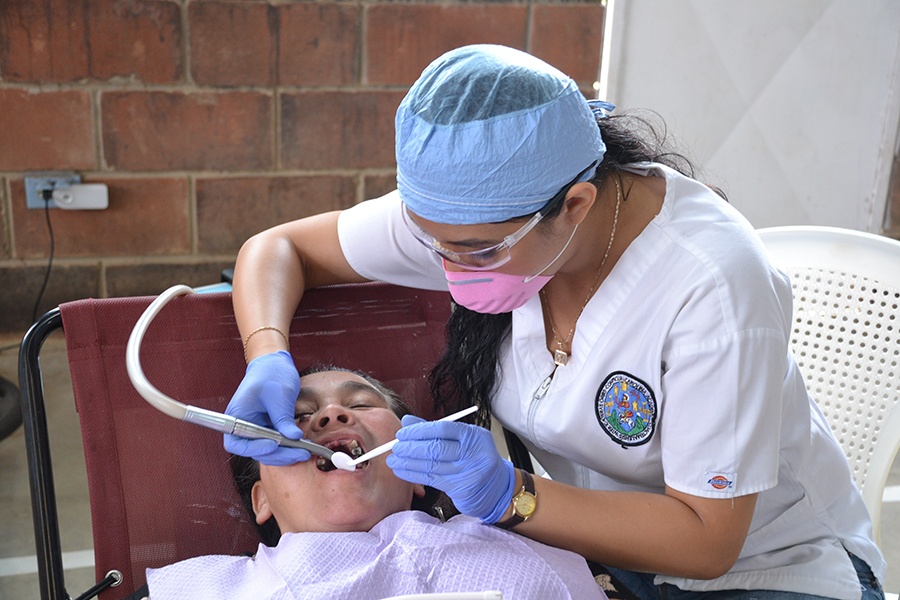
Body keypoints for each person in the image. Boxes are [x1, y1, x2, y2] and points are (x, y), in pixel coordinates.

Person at [223, 44, 886, 600]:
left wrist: (515, 495)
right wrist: (267, 355)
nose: (451, 271)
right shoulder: (469, 212)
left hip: (766, 569)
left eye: (477, 252)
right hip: (607, 562)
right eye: (432, 246)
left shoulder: (711, 285)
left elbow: (709, 541)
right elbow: (276, 249)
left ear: (575, 203)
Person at [146, 367, 606, 600]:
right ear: (261, 500)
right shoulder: (206, 589)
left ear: (420, 473)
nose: (330, 415)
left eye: (361, 403)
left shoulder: (528, 549)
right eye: (300, 416)